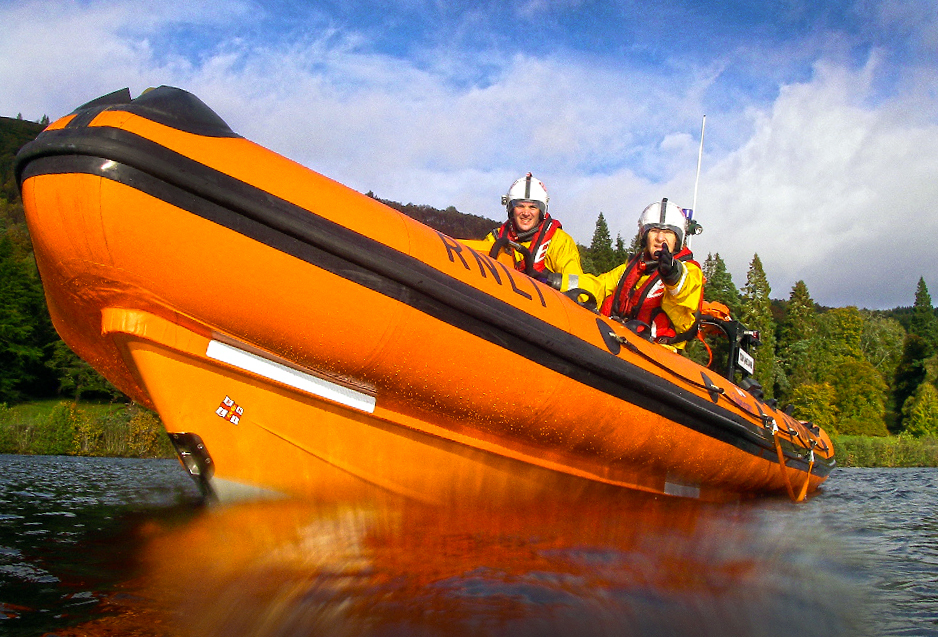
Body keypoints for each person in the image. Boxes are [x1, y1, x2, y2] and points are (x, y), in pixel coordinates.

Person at [578, 198, 703, 352]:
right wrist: (557, 281)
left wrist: (672, 274)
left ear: (678, 239)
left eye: (668, 232)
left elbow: (685, 298)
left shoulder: (689, 271)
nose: (660, 238)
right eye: (654, 230)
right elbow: (600, 285)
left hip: (658, 353)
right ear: (645, 235)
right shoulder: (633, 266)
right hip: (618, 339)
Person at [480, 173, 583, 287]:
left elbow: (575, 286)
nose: (526, 213)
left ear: (541, 211)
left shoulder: (560, 242)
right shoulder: (494, 239)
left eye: (532, 207)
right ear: (511, 209)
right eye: (520, 206)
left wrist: (551, 281)